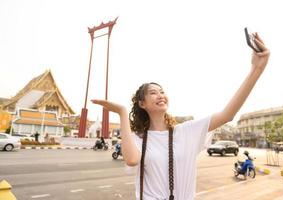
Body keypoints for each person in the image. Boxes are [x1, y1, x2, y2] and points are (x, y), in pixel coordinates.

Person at [91, 33, 270, 200]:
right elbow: (131, 160)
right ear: (142, 103)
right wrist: (122, 112)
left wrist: (256, 69)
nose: (161, 95)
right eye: (153, 93)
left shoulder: (185, 132)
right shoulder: (138, 138)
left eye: (162, 92)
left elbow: (227, 115)